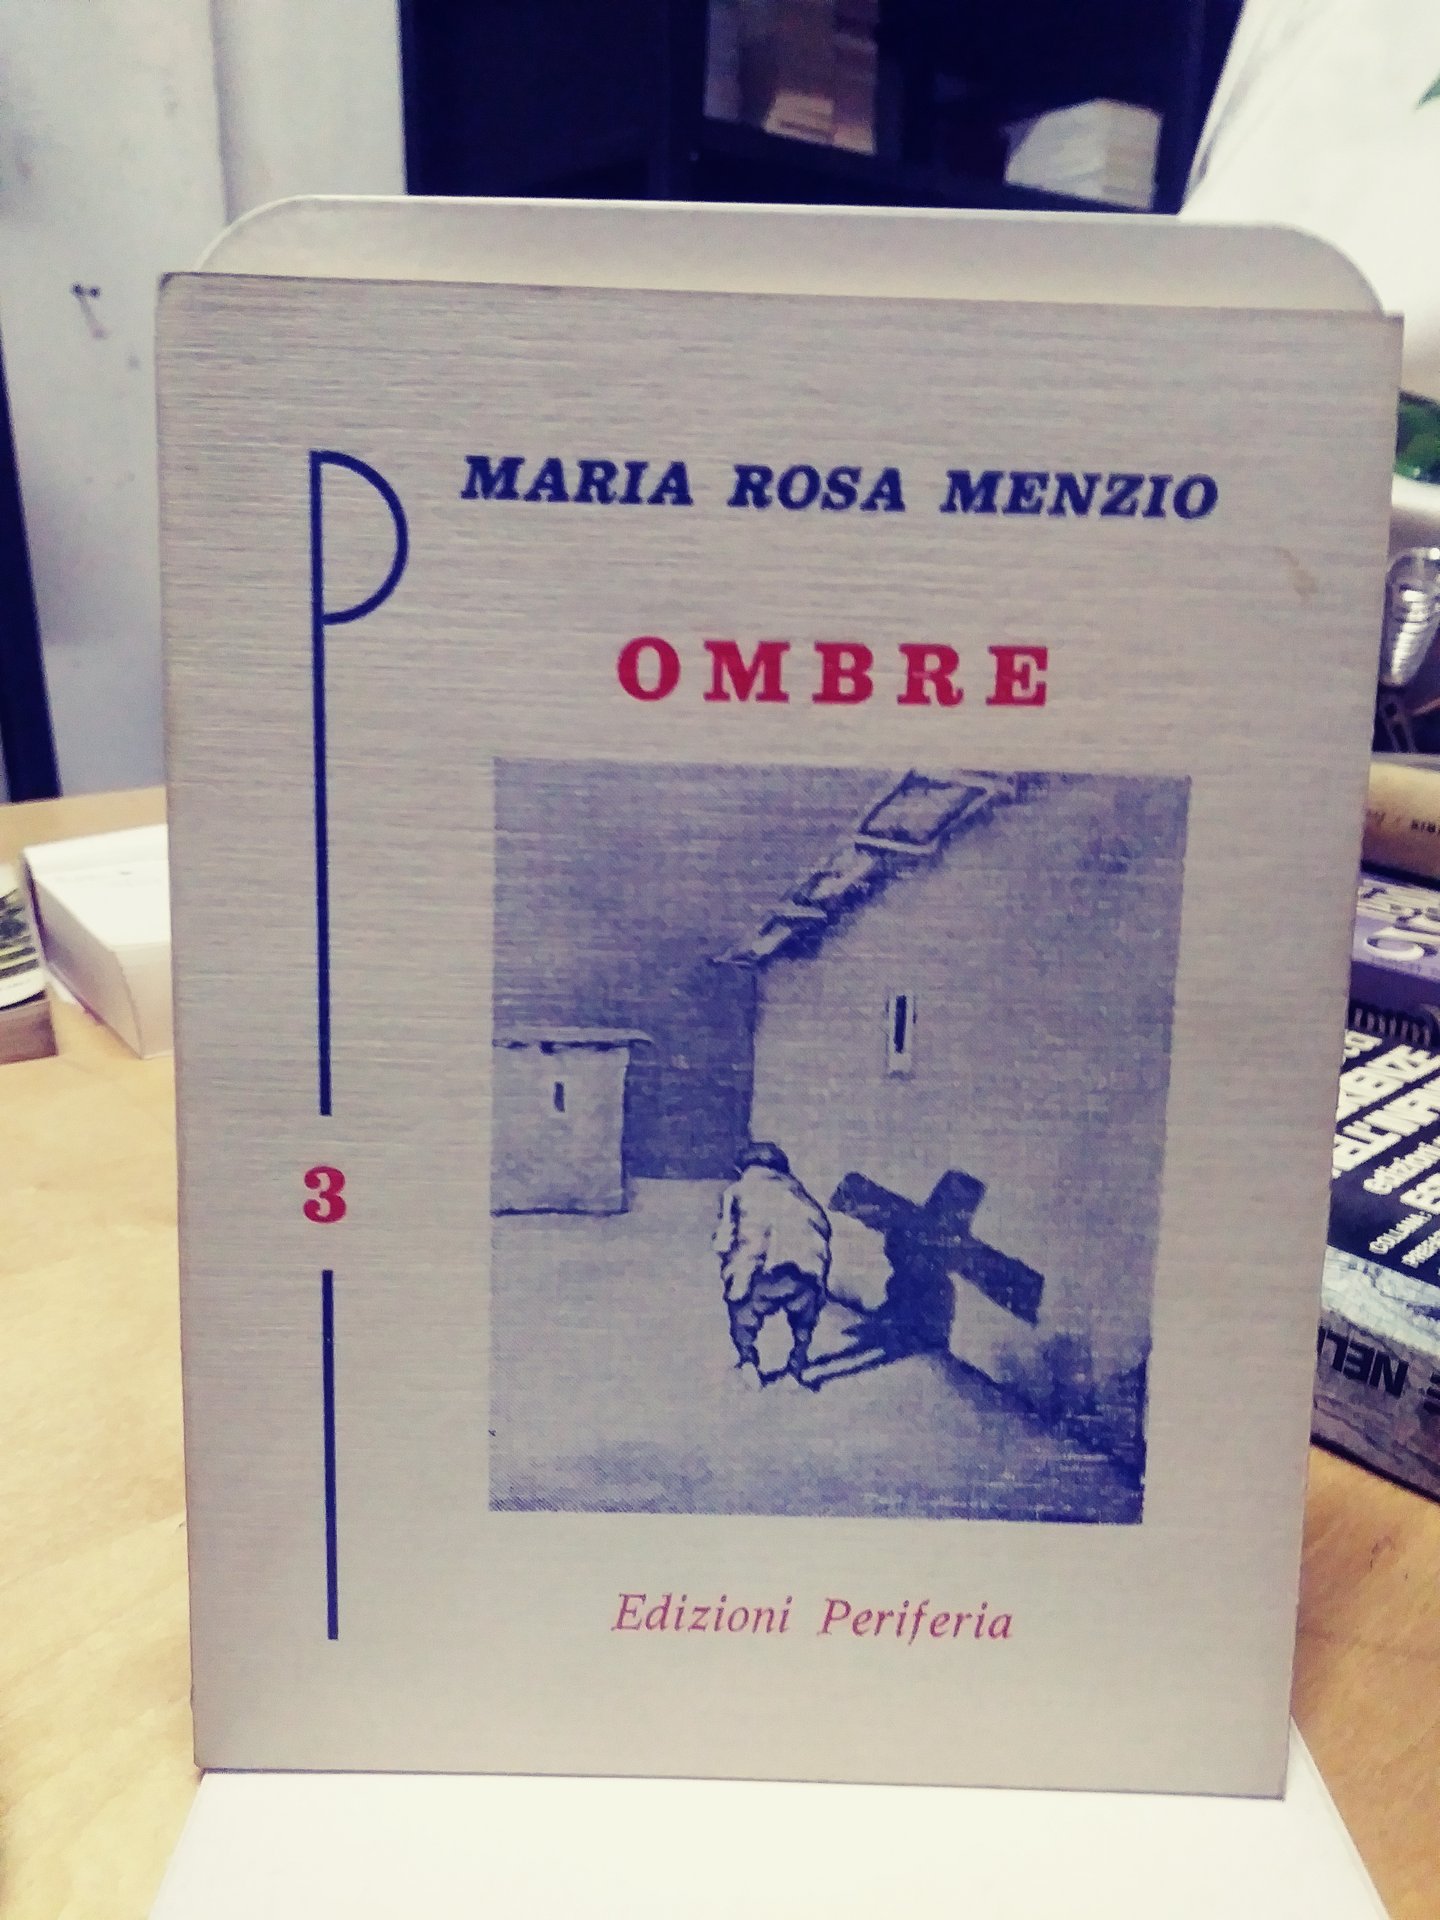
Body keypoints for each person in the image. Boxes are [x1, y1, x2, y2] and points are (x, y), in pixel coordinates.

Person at [712, 1142, 831, 1389]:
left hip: (760, 1270)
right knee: (803, 1324)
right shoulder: (799, 1193)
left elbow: (724, 1239)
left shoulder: (735, 1191)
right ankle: (795, 1370)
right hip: (805, 1272)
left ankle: (748, 1364)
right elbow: (823, 1227)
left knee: (742, 1310)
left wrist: (726, 1256)